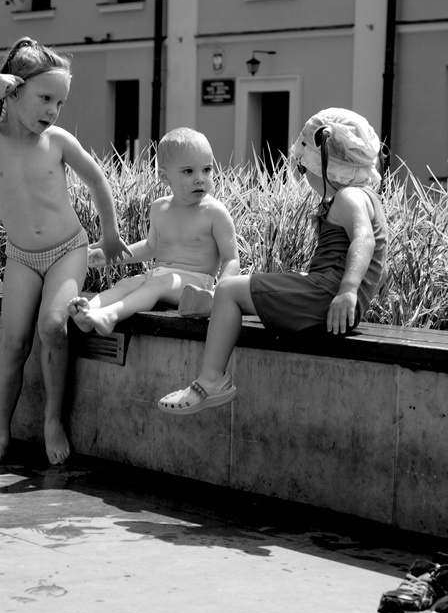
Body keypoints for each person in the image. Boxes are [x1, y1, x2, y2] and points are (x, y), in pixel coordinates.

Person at [0, 36, 130, 464]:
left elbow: (97, 180)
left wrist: (111, 234)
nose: (53, 111)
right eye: (45, 99)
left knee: (53, 326)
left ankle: (52, 420)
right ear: (13, 91)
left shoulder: (57, 141)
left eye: (60, 103)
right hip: (21, 256)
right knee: (13, 344)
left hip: (67, 250)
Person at [158, 107, 389, 414]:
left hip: (328, 297)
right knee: (251, 288)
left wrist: (347, 291)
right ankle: (215, 305)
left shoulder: (349, 197)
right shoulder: (366, 196)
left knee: (229, 289)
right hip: (327, 295)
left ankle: (211, 381)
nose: (304, 176)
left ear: (326, 166)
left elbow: (364, 240)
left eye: (304, 168)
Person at [67, 127, 240, 336]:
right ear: (165, 177)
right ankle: (87, 311)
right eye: (188, 171)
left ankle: (110, 316)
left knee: (157, 284)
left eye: (207, 169)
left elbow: (231, 259)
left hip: (196, 284)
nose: (200, 178)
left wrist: (219, 293)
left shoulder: (214, 212)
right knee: (126, 284)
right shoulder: (160, 208)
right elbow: (151, 247)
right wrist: (110, 257)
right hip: (160, 276)